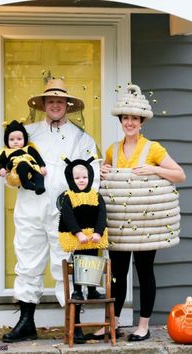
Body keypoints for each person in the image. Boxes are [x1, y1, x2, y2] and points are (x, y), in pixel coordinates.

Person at [85, 83, 186, 342]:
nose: (129, 123)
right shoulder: (111, 149)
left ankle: (143, 325)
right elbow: (102, 179)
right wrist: (102, 170)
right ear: (121, 121)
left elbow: (180, 174)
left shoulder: (153, 149)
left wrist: (155, 170)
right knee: (117, 272)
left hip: (145, 223)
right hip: (119, 221)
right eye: (125, 118)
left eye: (134, 118)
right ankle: (114, 323)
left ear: (141, 121)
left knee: (144, 270)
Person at [2, 78, 100, 343]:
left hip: (64, 214)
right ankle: (26, 322)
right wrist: (10, 174)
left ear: (67, 105)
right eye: (50, 100)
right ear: (44, 104)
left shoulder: (82, 139)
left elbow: (93, 176)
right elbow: (10, 163)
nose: (55, 105)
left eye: (60, 101)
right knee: (28, 263)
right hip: (30, 209)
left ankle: (73, 324)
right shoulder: (27, 134)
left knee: (65, 264)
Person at [58, 157, 108, 343]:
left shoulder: (96, 196)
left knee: (93, 262)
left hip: (93, 238)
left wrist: (98, 232)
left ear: (90, 177)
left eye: (85, 177)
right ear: (71, 179)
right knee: (79, 264)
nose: (81, 180)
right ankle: (79, 289)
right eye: (77, 178)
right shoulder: (68, 197)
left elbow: (102, 214)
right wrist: (78, 233)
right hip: (79, 240)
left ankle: (93, 289)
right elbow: (68, 216)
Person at [0, 119, 46, 194]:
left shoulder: (28, 148)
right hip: (17, 169)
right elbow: (0, 162)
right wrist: (1, 169)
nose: (15, 142)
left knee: (38, 175)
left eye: (19, 139)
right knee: (23, 164)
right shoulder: (6, 152)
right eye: (11, 139)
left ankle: (39, 187)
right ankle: (25, 182)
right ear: (7, 141)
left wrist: (42, 166)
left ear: (24, 139)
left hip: (32, 167)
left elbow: (37, 157)